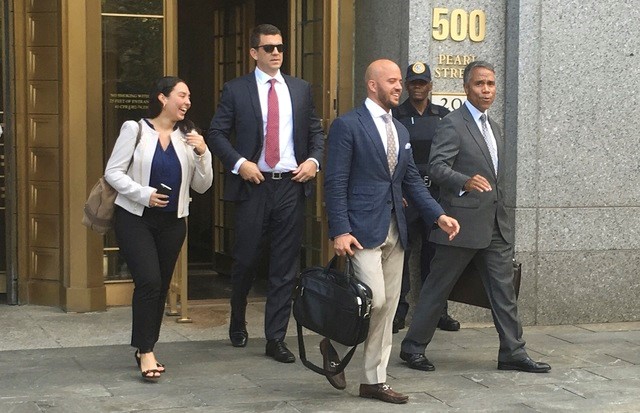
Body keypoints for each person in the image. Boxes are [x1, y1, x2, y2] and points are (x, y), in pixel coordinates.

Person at [399, 61, 551, 374]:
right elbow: (438, 168)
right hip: (460, 224)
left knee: (504, 292)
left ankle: (512, 352)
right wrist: (464, 181)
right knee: (436, 289)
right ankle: (413, 348)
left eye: (491, 84)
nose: (486, 90)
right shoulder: (453, 123)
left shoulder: (493, 127)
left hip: (495, 225)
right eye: (480, 84)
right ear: (467, 88)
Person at [323, 59, 460, 404]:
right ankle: (335, 344)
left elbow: (410, 179)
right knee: (375, 300)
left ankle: (374, 380)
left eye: (400, 81)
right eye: (393, 81)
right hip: (360, 230)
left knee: (388, 307)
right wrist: (339, 229)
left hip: (396, 229)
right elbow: (335, 181)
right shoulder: (347, 125)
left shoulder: (399, 130)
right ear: (373, 85)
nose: (399, 87)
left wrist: (437, 215)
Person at [206, 24, 324, 364]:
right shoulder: (236, 90)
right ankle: (238, 318)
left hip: (290, 183)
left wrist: (314, 161)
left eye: (280, 48)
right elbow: (216, 133)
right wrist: (240, 163)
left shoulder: (301, 90)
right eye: (269, 47)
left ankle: (275, 338)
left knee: (285, 265)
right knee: (244, 259)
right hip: (253, 184)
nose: (276, 53)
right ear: (254, 52)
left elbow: (316, 131)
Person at [105, 76, 213, 381]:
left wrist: (204, 153)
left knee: (161, 285)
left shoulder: (189, 136)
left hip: (173, 223)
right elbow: (112, 172)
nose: (188, 101)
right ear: (163, 98)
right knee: (149, 281)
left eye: (190, 96)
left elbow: (202, 187)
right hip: (135, 218)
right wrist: (144, 194)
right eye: (182, 95)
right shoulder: (135, 129)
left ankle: (145, 346)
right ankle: (146, 350)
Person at [391, 62, 460, 334]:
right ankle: (398, 312)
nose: (418, 87)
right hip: (408, 197)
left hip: (435, 197)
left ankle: (438, 312)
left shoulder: (444, 116)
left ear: (431, 85)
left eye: (423, 82)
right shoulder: (395, 114)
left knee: (436, 257)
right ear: (407, 85)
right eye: (413, 82)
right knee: (401, 256)